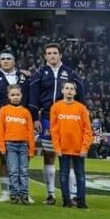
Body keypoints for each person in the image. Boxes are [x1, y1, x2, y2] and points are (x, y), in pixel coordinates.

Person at [28, 42, 86, 206]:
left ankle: (73, 195)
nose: (52, 56)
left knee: (71, 155)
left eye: (55, 53)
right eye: (49, 53)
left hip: (68, 118)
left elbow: (81, 96)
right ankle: (50, 194)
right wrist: (35, 117)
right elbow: (33, 96)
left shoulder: (70, 73)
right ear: (45, 56)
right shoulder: (40, 74)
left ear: (60, 55)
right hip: (46, 117)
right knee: (49, 154)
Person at [0, 50, 30, 202]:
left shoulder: (23, 77)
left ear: (14, 61)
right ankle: (5, 191)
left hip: (22, 123)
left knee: (24, 162)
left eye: (9, 58)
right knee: (3, 158)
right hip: (2, 123)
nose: (6, 61)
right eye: (3, 59)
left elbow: (30, 97)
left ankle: (23, 192)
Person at [50, 82, 92, 209]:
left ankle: (81, 201)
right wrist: (57, 147)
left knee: (80, 175)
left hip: (78, 149)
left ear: (75, 92)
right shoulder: (56, 107)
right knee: (64, 175)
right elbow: (54, 130)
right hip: (63, 149)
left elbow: (87, 130)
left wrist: (85, 148)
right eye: (67, 88)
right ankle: (66, 201)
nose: (69, 91)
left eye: (72, 89)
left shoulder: (81, 108)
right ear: (62, 90)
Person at [0, 84, 35, 204]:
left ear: (21, 95)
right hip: (10, 145)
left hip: (23, 145)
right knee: (13, 171)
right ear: (8, 96)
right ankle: (14, 194)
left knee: (24, 171)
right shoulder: (4, 110)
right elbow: (0, 130)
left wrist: (31, 149)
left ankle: (24, 194)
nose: (15, 97)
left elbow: (30, 131)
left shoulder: (26, 112)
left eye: (17, 95)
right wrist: (2, 146)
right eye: (13, 95)